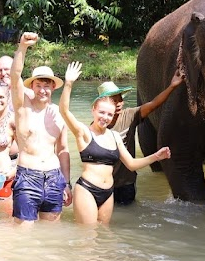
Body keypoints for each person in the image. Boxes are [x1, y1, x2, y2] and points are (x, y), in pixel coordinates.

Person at [60, 62, 172, 224]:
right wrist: (69, 83)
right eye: (102, 113)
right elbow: (64, 111)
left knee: (105, 236)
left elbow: (132, 164)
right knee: (88, 236)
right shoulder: (84, 133)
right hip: (87, 189)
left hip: (109, 192)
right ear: (93, 110)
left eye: (109, 114)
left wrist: (156, 156)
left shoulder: (115, 136)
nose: (106, 117)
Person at [9, 32, 71, 223]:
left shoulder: (60, 112)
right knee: (23, 230)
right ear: (32, 86)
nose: (42, 90)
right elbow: (15, 75)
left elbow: (63, 149)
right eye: (38, 85)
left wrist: (67, 183)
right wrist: (23, 47)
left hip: (54, 178)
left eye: (47, 85)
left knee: (51, 233)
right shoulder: (23, 107)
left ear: (53, 87)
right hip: (28, 176)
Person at [101, 70, 184, 205]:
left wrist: (172, 86)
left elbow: (153, 104)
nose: (119, 103)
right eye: (114, 100)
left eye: (120, 99)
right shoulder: (97, 125)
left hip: (126, 183)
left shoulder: (129, 115)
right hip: (103, 183)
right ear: (103, 103)